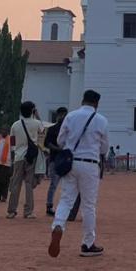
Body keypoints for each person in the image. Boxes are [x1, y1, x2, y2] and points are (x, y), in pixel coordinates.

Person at [47, 90, 108, 258]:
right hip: (90, 164)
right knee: (88, 205)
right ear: (96, 103)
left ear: (83, 100)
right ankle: (88, 243)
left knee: (66, 199)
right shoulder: (101, 120)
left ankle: (58, 225)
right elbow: (103, 148)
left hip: (71, 162)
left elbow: (60, 140)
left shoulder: (71, 116)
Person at [7, 101, 45, 219]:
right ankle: (28, 211)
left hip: (18, 156)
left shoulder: (15, 125)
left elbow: (12, 143)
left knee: (15, 184)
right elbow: (43, 133)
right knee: (29, 184)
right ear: (32, 111)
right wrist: (37, 115)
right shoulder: (37, 123)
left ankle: (11, 211)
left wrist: (14, 156)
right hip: (31, 156)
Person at [43, 107, 68, 215]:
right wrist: (58, 149)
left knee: (66, 185)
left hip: (65, 160)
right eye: (61, 115)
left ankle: (65, 207)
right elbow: (46, 143)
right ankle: (49, 206)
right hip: (55, 159)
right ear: (58, 115)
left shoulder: (68, 129)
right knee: (54, 184)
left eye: (64, 115)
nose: (63, 117)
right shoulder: (53, 128)